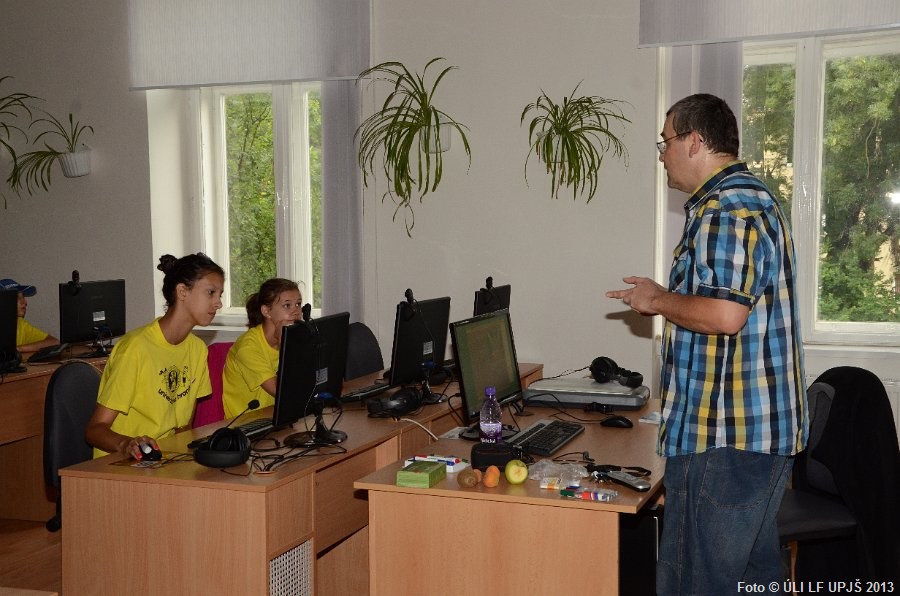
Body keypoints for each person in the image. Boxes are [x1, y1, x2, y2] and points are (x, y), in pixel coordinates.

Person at [606, 94, 808, 594]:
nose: (662, 154)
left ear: (695, 141)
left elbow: (724, 315)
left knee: (696, 583)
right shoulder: (749, 198)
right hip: (750, 437)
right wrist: (665, 296)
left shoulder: (726, 208)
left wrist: (658, 300)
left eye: (666, 141)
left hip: (726, 440)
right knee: (754, 579)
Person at [85, 253, 224, 460]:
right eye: (211, 293)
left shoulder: (197, 349)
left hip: (164, 459)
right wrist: (127, 444)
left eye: (220, 295)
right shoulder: (135, 348)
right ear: (182, 292)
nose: (219, 303)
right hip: (121, 462)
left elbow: (183, 428)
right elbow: (95, 430)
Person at [221, 278, 303, 419]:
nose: (296, 312)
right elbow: (282, 392)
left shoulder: (296, 337)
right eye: (287, 305)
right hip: (246, 424)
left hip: (278, 416)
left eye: (298, 304)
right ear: (266, 311)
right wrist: (286, 346)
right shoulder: (247, 347)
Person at [0, 278, 60, 355]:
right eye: (17, 297)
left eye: (23, 297)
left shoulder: (19, 323)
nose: (25, 302)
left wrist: (17, 349)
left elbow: (54, 342)